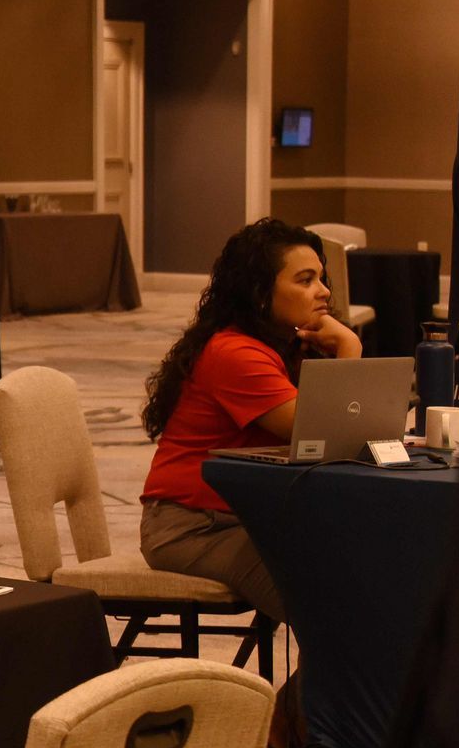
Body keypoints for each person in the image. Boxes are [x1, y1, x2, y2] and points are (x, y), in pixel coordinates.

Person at [139, 218, 362, 621]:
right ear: (261, 294)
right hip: (194, 527)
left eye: (322, 278)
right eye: (306, 280)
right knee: (336, 613)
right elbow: (325, 433)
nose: (324, 291)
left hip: (243, 518)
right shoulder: (235, 354)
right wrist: (349, 345)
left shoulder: (280, 346)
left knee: (362, 585)